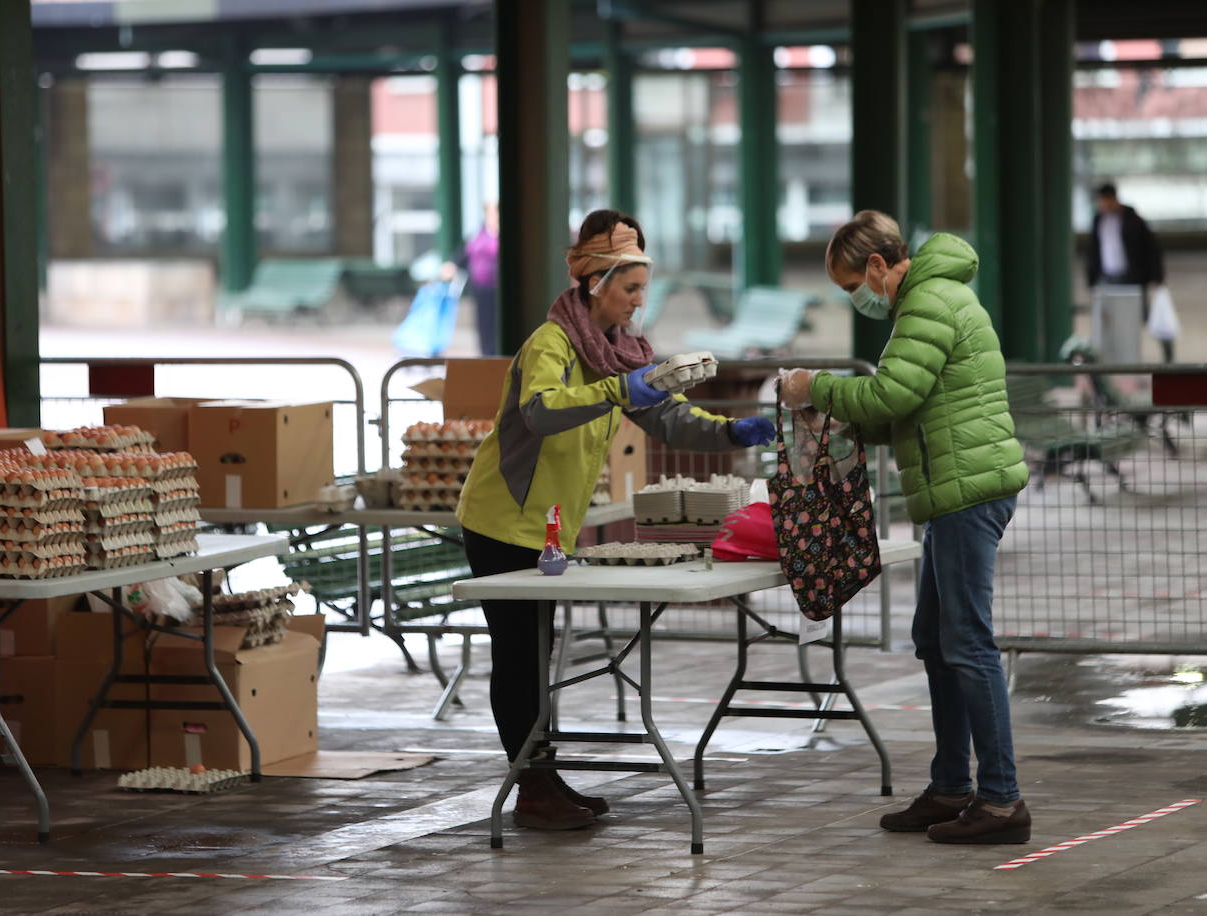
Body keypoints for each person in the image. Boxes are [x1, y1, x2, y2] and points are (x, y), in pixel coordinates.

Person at [455, 209, 775, 831]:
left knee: (537, 656)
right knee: (519, 657)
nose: (639, 300)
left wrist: (731, 430)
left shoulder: (620, 353)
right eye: (630, 287)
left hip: (547, 527)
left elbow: (669, 418)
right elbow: (544, 412)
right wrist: (622, 390)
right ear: (597, 284)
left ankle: (542, 779)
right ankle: (533, 789)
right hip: (502, 521)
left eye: (642, 287)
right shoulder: (552, 345)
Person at [779, 210, 1032, 845]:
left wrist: (817, 386)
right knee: (934, 636)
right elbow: (911, 409)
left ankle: (1001, 801)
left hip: (965, 493)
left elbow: (892, 394)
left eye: (851, 287)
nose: (855, 300)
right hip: (955, 490)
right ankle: (951, 785)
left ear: (877, 266)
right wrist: (843, 425)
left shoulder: (930, 303)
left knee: (967, 642)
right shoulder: (928, 300)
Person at [1086, 182, 1170, 362]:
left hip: (1132, 277)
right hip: (1107, 277)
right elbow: (1094, 252)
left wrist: (1157, 277)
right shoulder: (1098, 220)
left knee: (1143, 316)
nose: (1102, 205)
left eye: (1105, 201)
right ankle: (1113, 360)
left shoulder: (1133, 220)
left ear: (1113, 199)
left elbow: (1151, 249)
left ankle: (1167, 352)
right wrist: (1092, 279)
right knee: (1109, 320)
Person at [441, 202, 500, 356]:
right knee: (484, 326)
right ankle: (487, 355)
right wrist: (452, 265)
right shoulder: (478, 235)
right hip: (481, 290)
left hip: (499, 290)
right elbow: (464, 253)